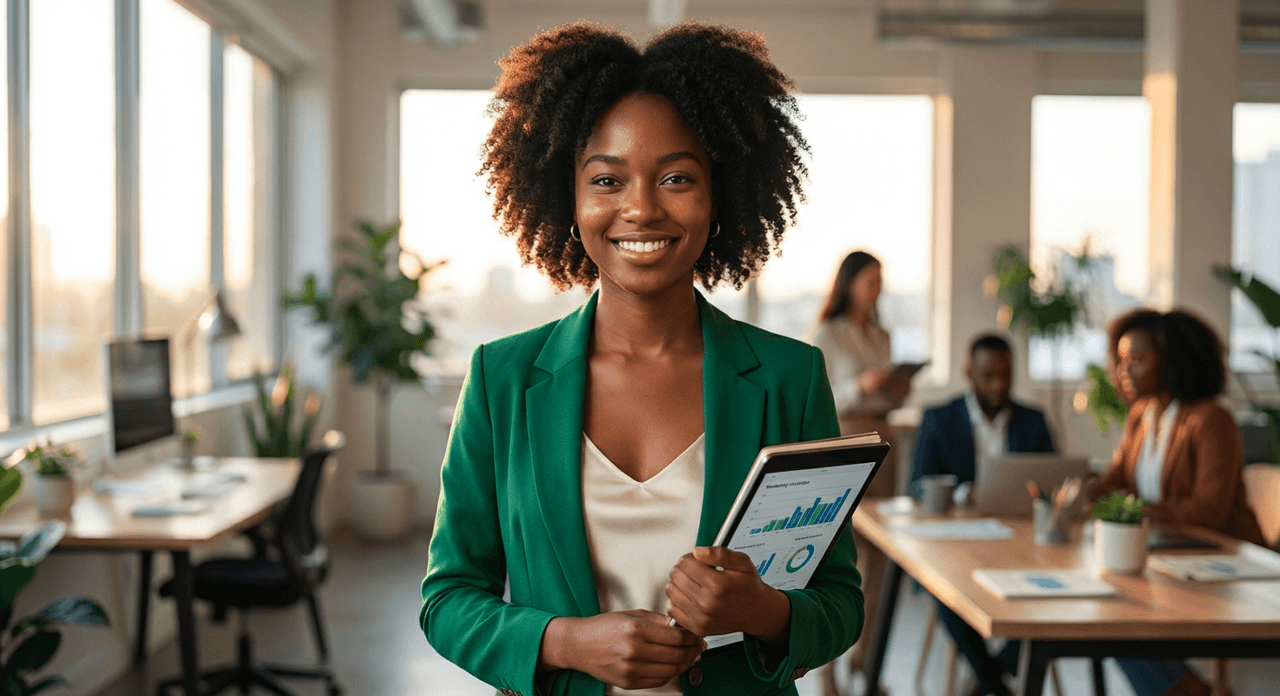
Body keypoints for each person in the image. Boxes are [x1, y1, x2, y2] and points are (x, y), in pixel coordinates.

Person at [419, 22, 864, 696]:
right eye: (607, 179)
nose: (641, 208)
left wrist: (766, 612)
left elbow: (839, 602)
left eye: (677, 177)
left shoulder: (787, 378)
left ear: (720, 197)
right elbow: (448, 599)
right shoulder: (501, 379)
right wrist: (564, 641)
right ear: (567, 198)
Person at [1093, 308, 1266, 696]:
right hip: (1167, 560)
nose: (1124, 370)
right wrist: (1081, 492)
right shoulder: (1141, 415)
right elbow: (1114, 480)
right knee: (1107, 615)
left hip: (1224, 565)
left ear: (1171, 361)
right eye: (1121, 360)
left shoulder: (1210, 419)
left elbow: (1209, 511)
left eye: (1137, 359)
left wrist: (1135, 511)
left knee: (1116, 624)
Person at [911, 333, 1055, 696]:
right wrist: (962, 493)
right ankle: (998, 686)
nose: (999, 384)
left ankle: (984, 682)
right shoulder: (938, 419)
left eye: (1006, 375)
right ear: (968, 372)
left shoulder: (1033, 421)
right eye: (989, 375)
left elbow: (1054, 482)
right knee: (948, 595)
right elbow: (917, 484)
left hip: (1021, 546)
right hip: (956, 547)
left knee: (1049, 602)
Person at [809, 250, 909, 685]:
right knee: (837, 552)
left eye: (880, 282)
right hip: (845, 440)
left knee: (880, 557)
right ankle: (826, 667)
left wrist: (897, 387)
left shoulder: (883, 335)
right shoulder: (828, 334)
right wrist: (861, 385)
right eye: (870, 281)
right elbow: (823, 394)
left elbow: (892, 401)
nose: (877, 290)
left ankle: (866, 662)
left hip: (884, 440)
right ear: (849, 283)